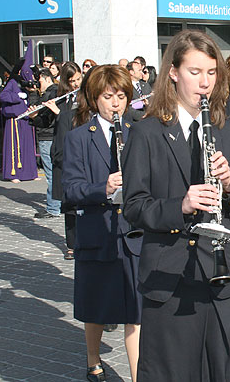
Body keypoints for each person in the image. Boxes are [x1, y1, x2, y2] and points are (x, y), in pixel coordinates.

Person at [121, 30, 230, 380]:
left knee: (227, 371)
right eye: (194, 72)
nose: (205, 82)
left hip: (224, 277)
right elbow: (134, 207)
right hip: (170, 277)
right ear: (173, 73)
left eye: (211, 72)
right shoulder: (147, 132)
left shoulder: (229, 131)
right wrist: (180, 205)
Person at [62, 65, 142, 382]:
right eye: (108, 97)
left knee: (136, 309)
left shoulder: (139, 132)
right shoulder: (79, 138)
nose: (115, 103)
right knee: (95, 304)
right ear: (95, 99)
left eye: (121, 96)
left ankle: (138, 375)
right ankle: (93, 359)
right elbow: (71, 189)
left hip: (133, 232)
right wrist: (104, 188)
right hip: (97, 231)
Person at [51, 61, 83, 259]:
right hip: (62, 150)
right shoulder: (61, 98)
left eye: (78, 79)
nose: (75, 84)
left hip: (78, 151)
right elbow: (46, 123)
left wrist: (60, 114)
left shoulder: (85, 96)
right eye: (72, 81)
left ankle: (84, 240)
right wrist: (37, 115)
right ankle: (71, 244)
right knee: (68, 204)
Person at [27, 68, 61, 218]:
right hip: (51, 134)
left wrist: (34, 114)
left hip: (48, 136)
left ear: (46, 78)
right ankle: (57, 205)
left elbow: (43, 118)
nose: (37, 84)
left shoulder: (50, 93)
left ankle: (54, 207)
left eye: (39, 80)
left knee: (51, 173)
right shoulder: (53, 92)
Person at [0, 64, 38, 183]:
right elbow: (3, 96)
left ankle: (30, 173)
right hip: (14, 120)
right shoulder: (13, 82)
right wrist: (17, 96)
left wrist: (31, 92)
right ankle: (13, 173)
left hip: (25, 118)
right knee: (15, 147)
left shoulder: (29, 83)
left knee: (27, 146)